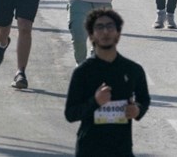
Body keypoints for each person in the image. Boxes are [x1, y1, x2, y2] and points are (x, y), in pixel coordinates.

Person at [63, 8, 150, 157]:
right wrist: (95, 102)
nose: (105, 32)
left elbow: (144, 99)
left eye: (110, 27)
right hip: (89, 149)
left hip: (121, 149)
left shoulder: (132, 69)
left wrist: (137, 110)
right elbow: (70, 113)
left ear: (118, 33)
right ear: (91, 35)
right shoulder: (83, 72)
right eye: (99, 27)